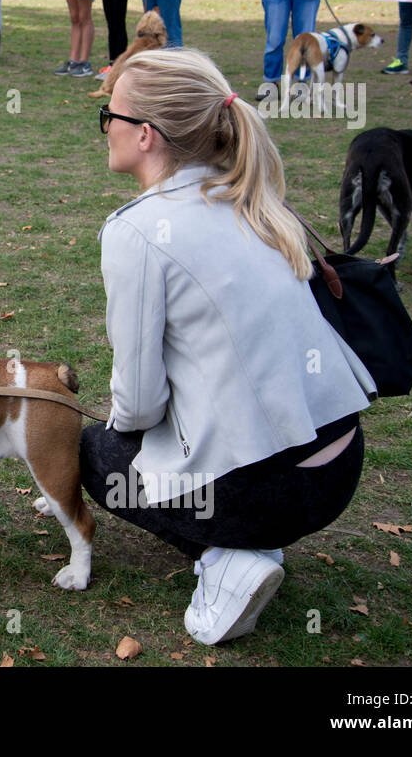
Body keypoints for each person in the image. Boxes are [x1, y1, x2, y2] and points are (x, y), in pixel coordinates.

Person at [83, 47, 375, 645]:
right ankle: (252, 537)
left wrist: (118, 428)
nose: (103, 128)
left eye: (108, 115)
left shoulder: (135, 230)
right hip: (341, 464)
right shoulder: (255, 199)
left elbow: (137, 404)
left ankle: (230, 557)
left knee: (96, 454)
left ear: (145, 135)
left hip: (270, 489)